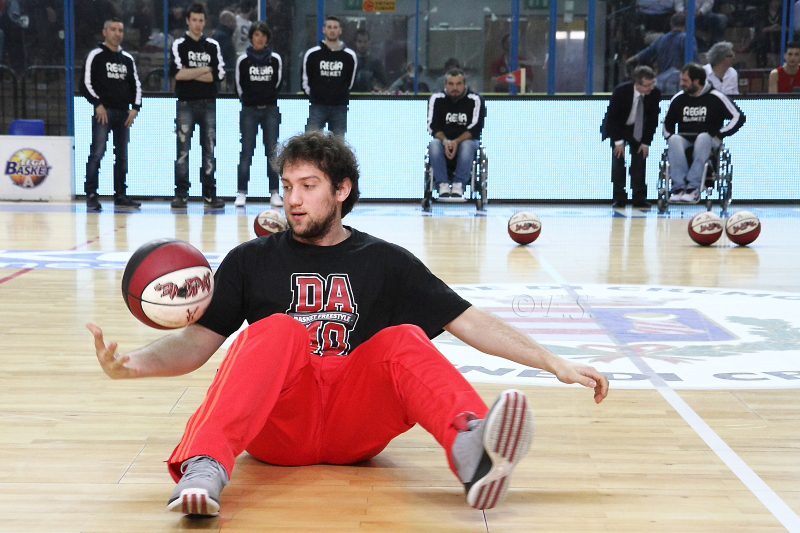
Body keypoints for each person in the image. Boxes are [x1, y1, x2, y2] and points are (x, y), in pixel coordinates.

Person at [88, 130, 609, 518]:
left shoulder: (385, 260)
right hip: (278, 426)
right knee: (276, 329)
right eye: (286, 186)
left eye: (308, 186)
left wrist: (553, 362)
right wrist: (132, 364)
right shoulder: (250, 259)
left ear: (341, 189)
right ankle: (203, 467)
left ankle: (473, 453)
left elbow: (467, 320)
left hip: (354, 424)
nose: (293, 199)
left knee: (403, 338)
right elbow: (197, 344)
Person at [80, 18, 142, 212]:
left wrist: (135, 108)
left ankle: (121, 195)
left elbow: (136, 85)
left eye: (120, 30)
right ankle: (91, 195)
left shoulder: (127, 59)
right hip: (104, 113)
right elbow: (85, 83)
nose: (117, 33)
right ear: (104, 32)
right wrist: (97, 104)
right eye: (113, 29)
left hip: (123, 113)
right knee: (97, 153)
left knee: (122, 156)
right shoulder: (95, 55)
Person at [170, 2, 226, 210]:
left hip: (208, 104)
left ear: (205, 22)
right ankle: (181, 195)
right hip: (185, 104)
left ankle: (209, 194)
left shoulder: (212, 45)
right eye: (194, 20)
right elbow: (178, 74)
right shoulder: (179, 44)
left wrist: (191, 72)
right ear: (187, 21)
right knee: (182, 152)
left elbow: (218, 75)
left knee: (209, 151)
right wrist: (204, 70)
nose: (197, 24)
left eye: (201, 20)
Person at [662, 62, 745, 203]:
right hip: (685, 138)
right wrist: (669, 136)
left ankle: (693, 187)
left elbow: (738, 117)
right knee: (674, 140)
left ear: (696, 81)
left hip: (709, 138)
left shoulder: (716, 97)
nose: (681, 83)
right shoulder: (678, 98)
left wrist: (720, 134)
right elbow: (667, 123)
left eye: (685, 81)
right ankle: (679, 187)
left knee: (703, 137)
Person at [234, 21, 283, 208]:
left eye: (263, 35)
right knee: (246, 152)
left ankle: (275, 192)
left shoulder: (275, 59)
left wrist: (267, 98)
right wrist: (250, 101)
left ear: (267, 38)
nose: (260, 39)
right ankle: (241, 193)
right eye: (256, 35)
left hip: (270, 109)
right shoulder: (243, 60)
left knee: (272, 152)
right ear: (251, 38)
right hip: (249, 110)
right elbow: (239, 86)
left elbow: (278, 83)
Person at [601, 66, 662, 209]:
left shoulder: (655, 93)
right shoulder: (621, 91)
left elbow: (652, 120)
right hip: (618, 128)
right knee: (618, 161)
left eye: (653, 83)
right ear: (637, 84)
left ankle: (639, 197)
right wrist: (618, 142)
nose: (651, 88)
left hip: (638, 128)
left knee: (640, 161)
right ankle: (619, 197)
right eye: (647, 85)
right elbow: (612, 118)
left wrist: (646, 143)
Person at [426, 68, 485, 200]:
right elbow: (432, 126)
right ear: (445, 84)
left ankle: (459, 185)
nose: (454, 88)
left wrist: (456, 141)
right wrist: (446, 141)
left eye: (458, 84)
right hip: (443, 140)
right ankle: (442, 185)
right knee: (434, 144)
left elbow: (475, 128)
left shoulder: (475, 99)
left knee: (467, 146)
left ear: (464, 84)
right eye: (451, 84)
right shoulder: (436, 98)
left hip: (466, 140)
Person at [302, 15, 357, 136]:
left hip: (340, 107)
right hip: (317, 106)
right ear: (324, 30)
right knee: (310, 141)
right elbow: (306, 79)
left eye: (335, 27)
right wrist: (316, 94)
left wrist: (339, 93)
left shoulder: (349, 56)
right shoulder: (312, 54)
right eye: (329, 27)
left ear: (340, 30)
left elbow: (350, 81)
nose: (332, 30)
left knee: (338, 144)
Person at [627, 12, 699, 95]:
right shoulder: (688, 38)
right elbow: (695, 60)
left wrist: (631, 59)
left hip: (662, 83)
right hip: (680, 84)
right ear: (686, 24)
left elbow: (646, 53)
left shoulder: (661, 39)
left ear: (671, 23)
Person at [351, 28, 386, 92]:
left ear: (369, 42)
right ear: (355, 43)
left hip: (371, 97)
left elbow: (383, 85)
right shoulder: (350, 62)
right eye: (359, 41)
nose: (362, 45)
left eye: (365, 42)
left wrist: (377, 85)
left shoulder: (376, 63)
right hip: (353, 97)